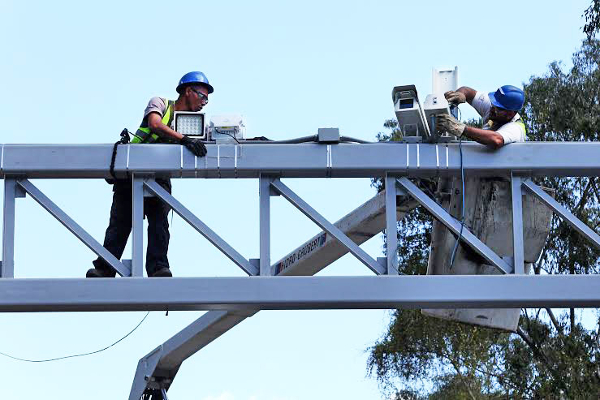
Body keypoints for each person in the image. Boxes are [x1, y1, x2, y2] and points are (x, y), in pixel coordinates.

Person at [86, 71, 213, 278]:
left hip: (159, 177)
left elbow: (208, 143)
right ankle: (105, 268)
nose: (205, 102)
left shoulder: (194, 125)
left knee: (159, 224)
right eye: (202, 96)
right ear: (188, 91)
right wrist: (184, 139)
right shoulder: (161, 104)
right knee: (120, 223)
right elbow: (155, 124)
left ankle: (158, 268)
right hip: (132, 172)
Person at [436, 85, 526, 148]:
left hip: (503, 174)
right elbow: (467, 91)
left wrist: (461, 129)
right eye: (492, 104)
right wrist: (460, 95)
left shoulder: (516, 128)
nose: (491, 109)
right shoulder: (493, 108)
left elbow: (496, 139)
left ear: (510, 114)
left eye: (497, 108)